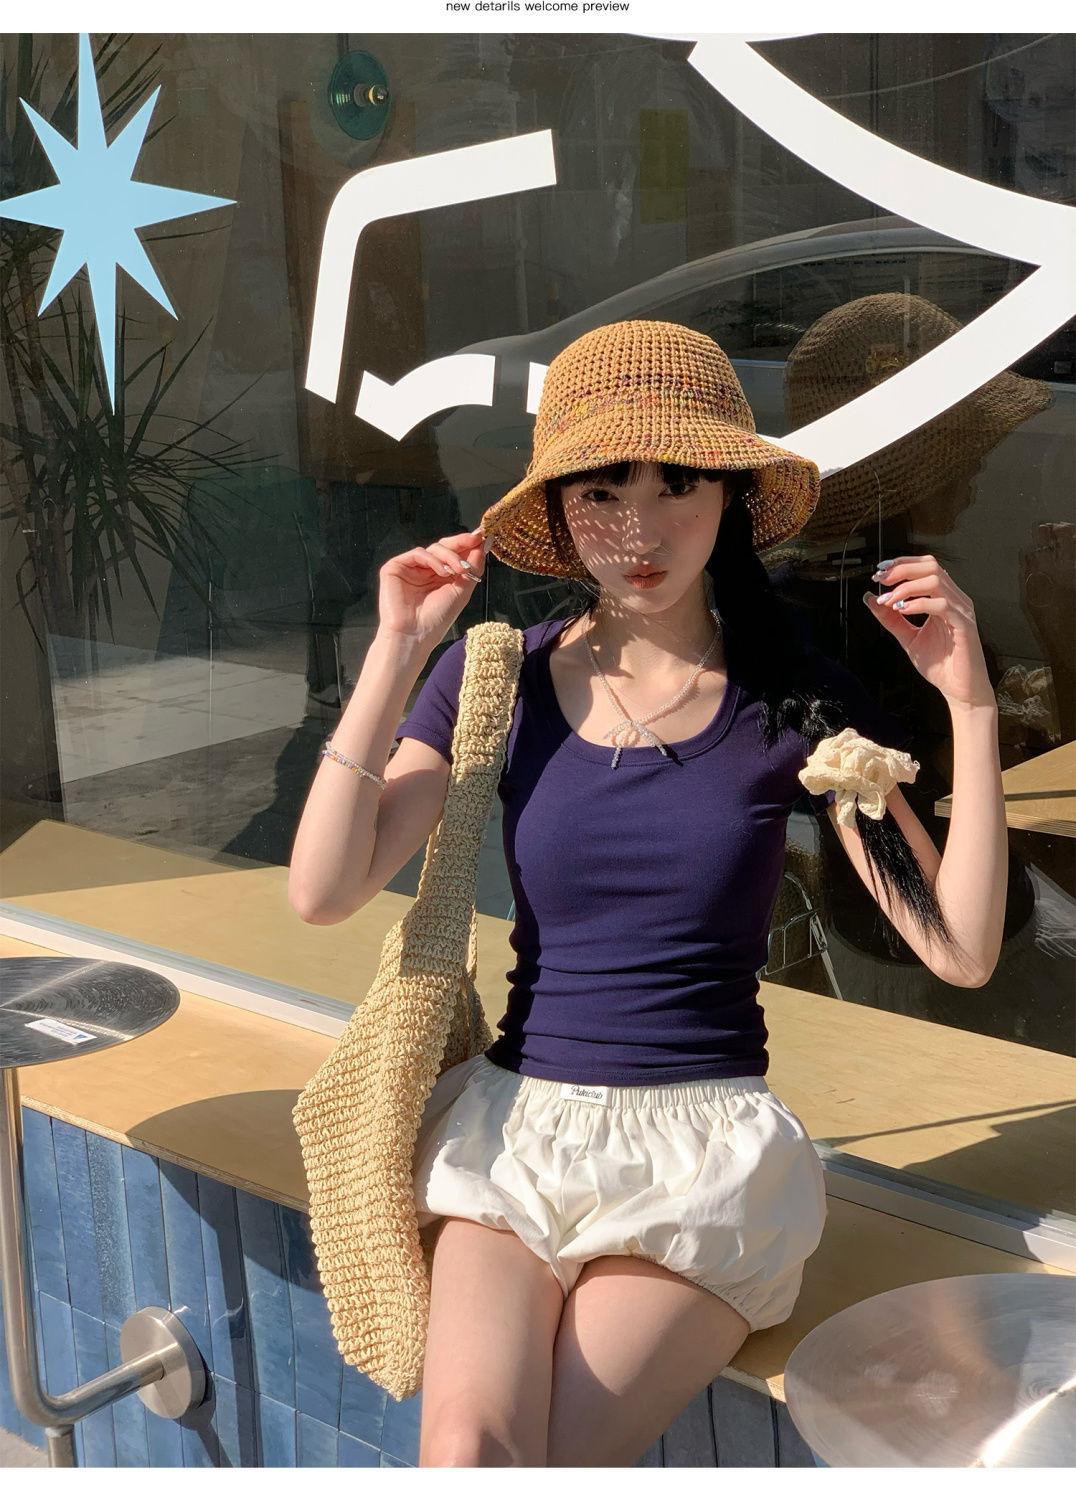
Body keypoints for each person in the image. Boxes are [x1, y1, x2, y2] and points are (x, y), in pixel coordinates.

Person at [287, 320, 1008, 1467]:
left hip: (699, 1153)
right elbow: (323, 890)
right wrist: (395, 651)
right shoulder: (499, 679)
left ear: (728, 496)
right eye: (601, 491)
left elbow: (960, 950)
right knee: (465, 1451)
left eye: (675, 483)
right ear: (559, 511)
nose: (638, 527)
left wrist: (967, 707)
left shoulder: (790, 703)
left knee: (560, 1462)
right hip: (513, 1133)